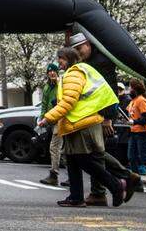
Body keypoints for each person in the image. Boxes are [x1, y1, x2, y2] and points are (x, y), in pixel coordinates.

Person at [38, 46, 129, 209]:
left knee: (85, 161)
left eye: (62, 59)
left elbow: (68, 102)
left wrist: (48, 118)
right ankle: (76, 197)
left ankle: (116, 185)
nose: (59, 63)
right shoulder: (75, 72)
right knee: (73, 160)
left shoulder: (74, 73)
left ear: (70, 59)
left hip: (82, 123)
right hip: (76, 123)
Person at [67, 33, 140, 202]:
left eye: (80, 48)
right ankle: (100, 191)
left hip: (101, 115)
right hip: (92, 114)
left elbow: (110, 90)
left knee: (95, 153)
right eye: (75, 50)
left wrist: (108, 117)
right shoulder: (87, 62)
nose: (78, 53)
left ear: (88, 44)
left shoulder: (101, 62)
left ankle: (119, 181)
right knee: (96, 153)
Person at [39, 62, 63, 186]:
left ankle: (54, 175)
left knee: (54, 148)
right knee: (61, 149)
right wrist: (42, 118)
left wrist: (59, 82)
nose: (52, 73)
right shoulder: (47, 87)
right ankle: (71, 176)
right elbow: (44, 103)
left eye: (53, 71)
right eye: (49, 72)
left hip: (61, 119)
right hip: (51, 120)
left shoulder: (61, 84)